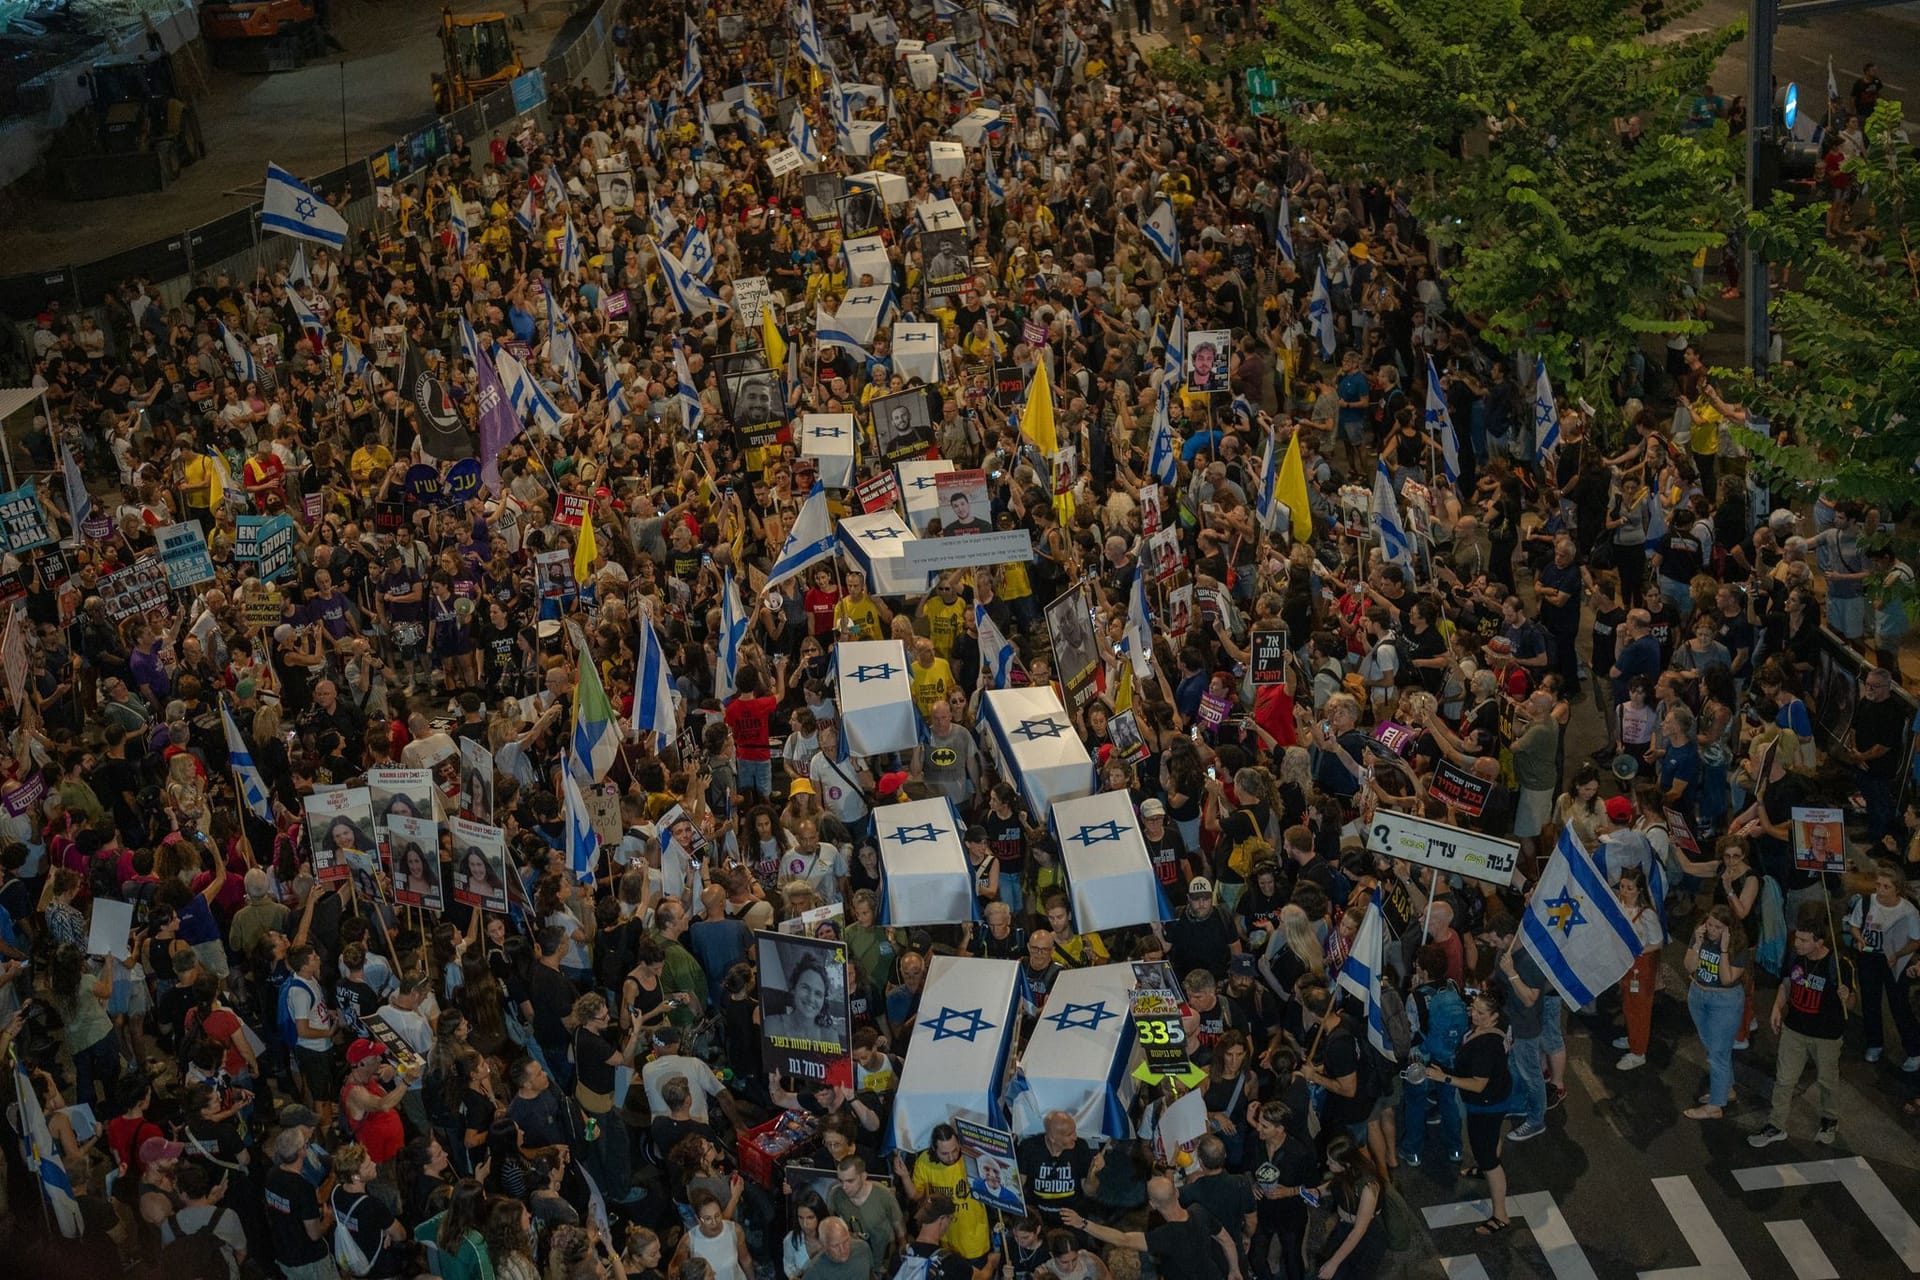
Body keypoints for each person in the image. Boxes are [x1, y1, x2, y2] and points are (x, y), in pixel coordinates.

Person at [1752, 903, 1853, 1147]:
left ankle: (1829, 1119)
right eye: (1797, 938)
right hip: (1794, 1029)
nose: (1797, 944)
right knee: (1784, 1080)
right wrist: (1777, 1007)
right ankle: (1776, 1125)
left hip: (1826, 1036)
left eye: (1804, 940)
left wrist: (1846, 996)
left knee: (1827, 1080)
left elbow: (1850, 1005)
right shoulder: (1795, 956)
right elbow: (1787, 983)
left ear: (1819, 942)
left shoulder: (1838, 965)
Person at [1428, 988, 1514, 1233]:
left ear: (1494, 1014)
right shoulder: (1502, 1024)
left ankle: (1500, 1214)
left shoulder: (1487, 1046)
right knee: (1491, 1136)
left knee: (1486, 1153)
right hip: (1498, 1096)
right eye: (1473, 1008)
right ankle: (1486, 1162)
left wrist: (1444, 1078)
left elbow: (1478, 1084)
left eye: (1479, 1012)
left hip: (1485, 1103)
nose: (1472, 1014)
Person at [1061, 1176, 1241, 1280]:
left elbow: (1121, 1239)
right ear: (1177, 1192)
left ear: (1152, 1204)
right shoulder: (1199, 1211)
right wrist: (1234, 1270)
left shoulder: (1164, 1236)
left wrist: (1083, 1224)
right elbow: (1227, 1242)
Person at [1684, 905, 1750, 1120]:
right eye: (1709, 924)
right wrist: (1697, 943)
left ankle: (1715, 1106)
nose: (1711, 930)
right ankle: (1726, 1089)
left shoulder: (1738, 945)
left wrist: (1723, 949)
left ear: (1729, 930)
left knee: (1718, 1054)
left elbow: (1728, 978)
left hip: (1724, 1000)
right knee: (1712, 1048)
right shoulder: (1700, 936)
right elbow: (1689, 966)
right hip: (1698, 994)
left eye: (1718, 927)